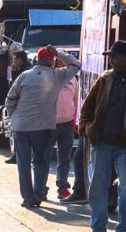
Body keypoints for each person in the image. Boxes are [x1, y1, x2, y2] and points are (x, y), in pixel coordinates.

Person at [78, 40, 126, 232]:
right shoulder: (105, 79)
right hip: (101, 142)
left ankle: (124, 227)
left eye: (115, 56)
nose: (111, 60)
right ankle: (98, 227)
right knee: (98, 187)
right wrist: (85, 128)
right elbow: (87, 107)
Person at [5, 45, 81, 208]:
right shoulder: (57, 76)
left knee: (23, 164)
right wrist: (59, 53)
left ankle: (27, 198)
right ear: (52, 61)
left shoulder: (24, 76)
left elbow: (10, 99)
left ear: (37, 60)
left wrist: (15, 116)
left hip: (20, 127)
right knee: (40, 161)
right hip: (42, 128)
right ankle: (38, 195)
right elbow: (76, 65)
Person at [46, 58, 78, 199]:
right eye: (56, 61)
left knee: (64, 158)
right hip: (48, 125)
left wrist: (74, 121)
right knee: (43, 158)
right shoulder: (47, 78)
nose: (59, 63)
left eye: (61, 61)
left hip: (67, 124)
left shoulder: (73, 79)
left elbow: (76, 101)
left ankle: (63, 188)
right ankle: (41, 189)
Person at [5, 50, 30, 164]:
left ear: (20, 60)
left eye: (15, 59)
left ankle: (18, 156)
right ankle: (17, 155)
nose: (13, 61)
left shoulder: (24, 72)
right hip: (23, 105)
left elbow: (14, 89)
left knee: (18, 131)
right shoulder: (20, 70)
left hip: (21, 106)